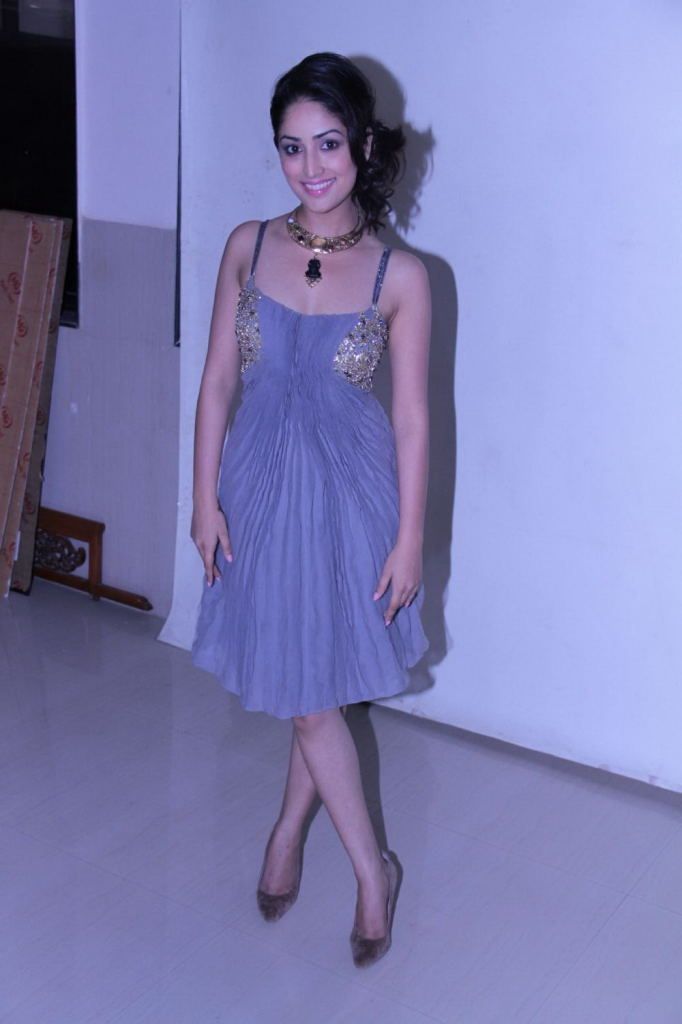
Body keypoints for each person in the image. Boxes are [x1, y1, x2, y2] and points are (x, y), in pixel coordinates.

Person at [190, 52, 431, 968]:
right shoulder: (247, 246)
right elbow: (218, 381)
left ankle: (367, 873)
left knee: (311, 696)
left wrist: (409, 538)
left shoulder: (400, 274)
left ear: (363, 145)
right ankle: (309, 841)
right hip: (257, 488)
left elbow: (411, 420)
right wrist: (202, 498)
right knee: (311, 689)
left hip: (350, 496)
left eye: (328, 143)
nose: (311, 166)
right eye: (291, 147)